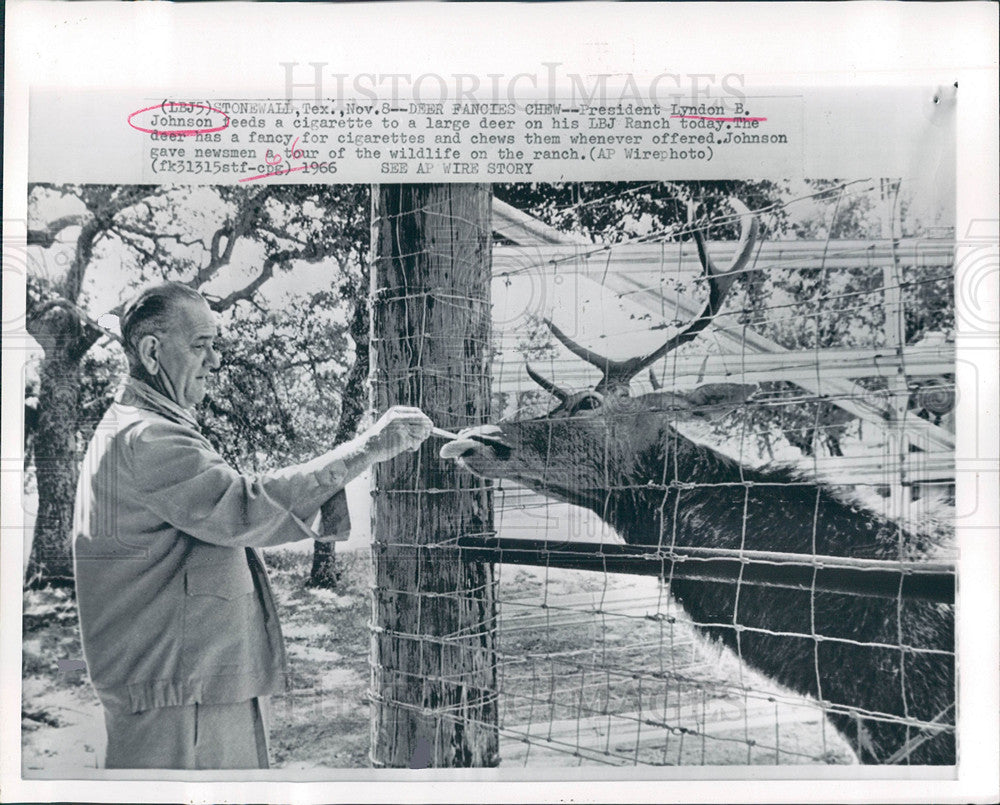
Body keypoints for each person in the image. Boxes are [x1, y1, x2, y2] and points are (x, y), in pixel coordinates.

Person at [72, 282, 432, 769]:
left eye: (215, 346)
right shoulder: (149, 436)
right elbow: (247, 507)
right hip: (180, 695)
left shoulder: (139, 424)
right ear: (152, 352)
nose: (215, 362)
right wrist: (369, 447)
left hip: (186, 684)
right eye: (201, 346)